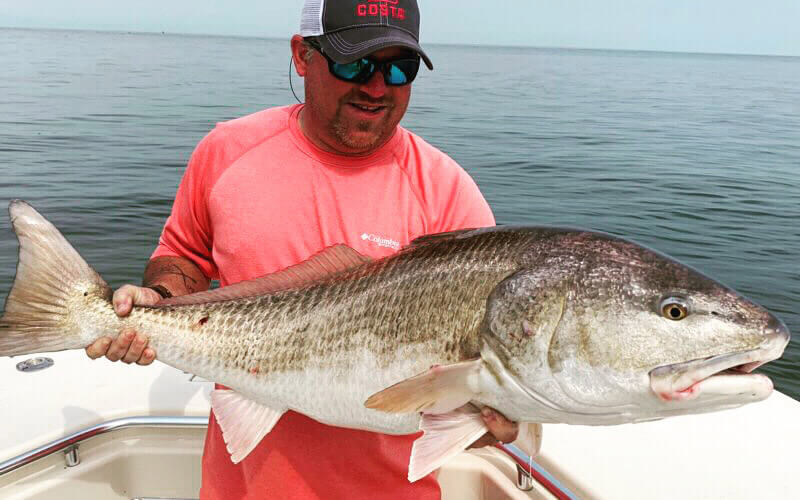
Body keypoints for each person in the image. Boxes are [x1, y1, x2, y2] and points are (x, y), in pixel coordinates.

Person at [85, 1, 518, 498]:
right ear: (302, 55)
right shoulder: (227, 150)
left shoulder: (448, 193)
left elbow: (473, 417)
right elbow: (184, 255)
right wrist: (157, 300)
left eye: (401, 68)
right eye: (353, 62)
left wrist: (497, 419)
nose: (376, 86)